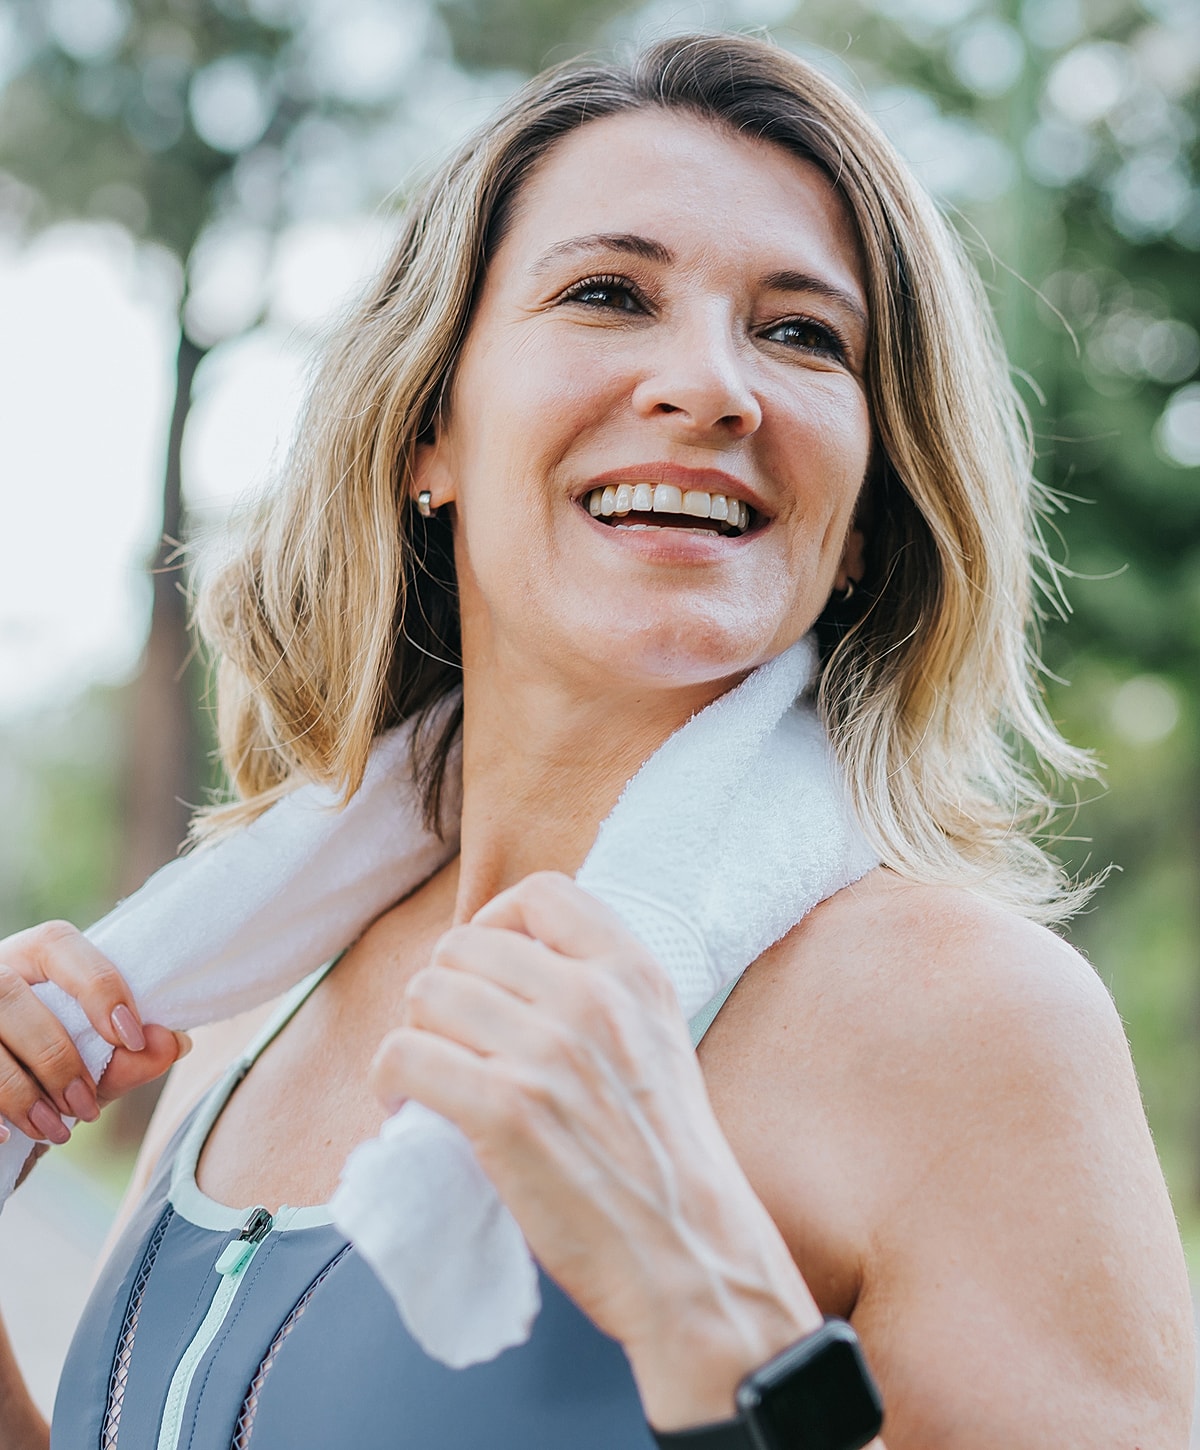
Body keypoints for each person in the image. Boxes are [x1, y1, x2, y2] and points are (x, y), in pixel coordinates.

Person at [0, 31, 1192, 1450]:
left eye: (801, 331)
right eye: (608, 294)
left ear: (868, 510)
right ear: (429, 430)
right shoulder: (243, 998)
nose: (710, 386)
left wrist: (714, 1301)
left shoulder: (972, 1021)